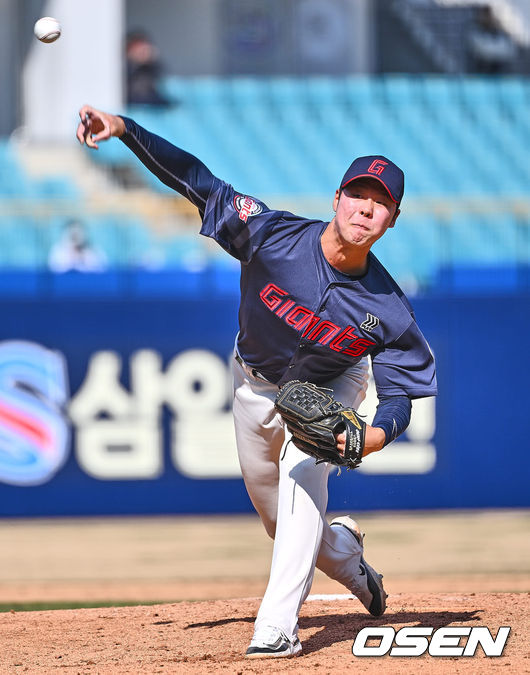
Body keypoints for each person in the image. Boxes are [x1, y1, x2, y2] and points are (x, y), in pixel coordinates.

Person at [76, 105, 437, 658]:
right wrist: (125, 129)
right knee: (276, 516)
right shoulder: (272, 235)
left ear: (391, 219)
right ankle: (343, 553)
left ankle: (276, 629)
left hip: (331, 387)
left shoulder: (389, 309)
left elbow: (400, 394)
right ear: (336, 200)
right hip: (253, 383)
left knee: (301, 475)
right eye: (358, 195)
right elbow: (197, 181)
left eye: (381, 202)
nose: (366, 208)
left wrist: (370, 437)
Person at [125, 30, 171, 107]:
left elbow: (159, 76)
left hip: (152, 101)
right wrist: (134, 63)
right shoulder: (125, 67)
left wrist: (152, 60)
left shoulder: (149, 67)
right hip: (135, 102)